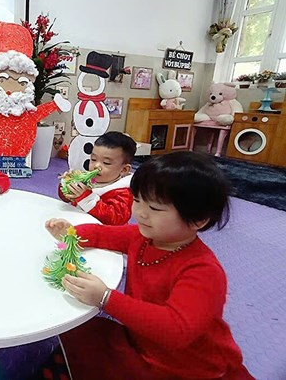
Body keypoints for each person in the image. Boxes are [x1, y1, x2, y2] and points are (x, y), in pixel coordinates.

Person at [45, 152, 254, 380]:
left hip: (188, 366)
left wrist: (105, 298)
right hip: (142, 340)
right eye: (137, 200)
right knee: (78, 331)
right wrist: (72, 233)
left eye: (154, 208)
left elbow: (177, 330)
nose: (140, 213)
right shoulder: (145, 236)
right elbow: (105, 234)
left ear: (198, 219)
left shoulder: (203, 271)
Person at [59, 131, 136, 225]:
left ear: (124, 170)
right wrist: (67, 185)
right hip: (78, 222)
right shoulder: (89, 179)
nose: (96, 166)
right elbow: (66, 198)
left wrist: (86, 198)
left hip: (103, 232)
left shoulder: (123, 192)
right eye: (93, 159)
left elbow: (116, 219)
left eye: (106, 163)